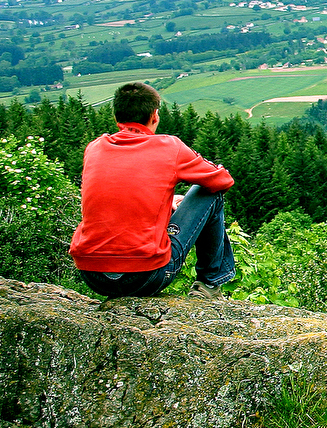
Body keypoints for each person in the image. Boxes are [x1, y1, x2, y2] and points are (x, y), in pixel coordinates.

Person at [69, 82, 237, 299]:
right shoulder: (170, 147)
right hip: (145, 276)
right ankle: (209, 283)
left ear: (116, 118)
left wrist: (166, 201)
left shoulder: (94, 148)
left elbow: (120, 196)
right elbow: (222, 181)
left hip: (93, 276)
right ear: (155, 115)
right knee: (208, 191)